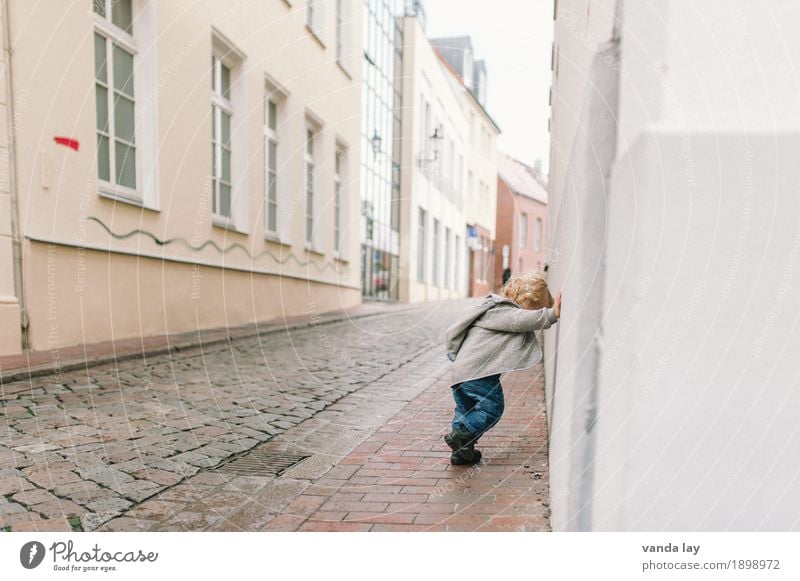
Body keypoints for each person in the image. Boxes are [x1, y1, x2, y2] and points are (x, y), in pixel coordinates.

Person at [443, 273, 561, 465]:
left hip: (461, 373)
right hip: (479, 373)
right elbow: (521, 320)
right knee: (492, 409)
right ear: (527, 300)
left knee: (465, 410)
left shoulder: (493, 311)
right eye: (537, 309)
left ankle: (462, 452)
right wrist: (551, 314)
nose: (534, 315)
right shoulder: (503, 311)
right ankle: (461, 437)